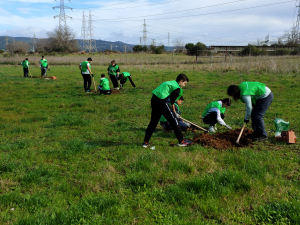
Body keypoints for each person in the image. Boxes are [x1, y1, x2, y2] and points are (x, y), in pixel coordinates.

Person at [143, 74, 192, 148]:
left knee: (153, 122)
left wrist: (173, 108)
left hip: (154, 100)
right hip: (162, 102)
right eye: (184, 83)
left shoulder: (170, 82)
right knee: (174, 120)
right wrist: (173, 110)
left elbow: (171, 100)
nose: (184, 85)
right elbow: (173, 100)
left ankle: (145, 142)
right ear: (181, 81)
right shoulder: (178, 88)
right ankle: (182, 141)